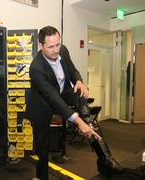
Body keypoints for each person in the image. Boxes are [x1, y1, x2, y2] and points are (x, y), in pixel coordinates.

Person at [25, 25, 101, 180]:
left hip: (62, 91)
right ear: (40, 46)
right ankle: (41, 177)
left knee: (79, 92)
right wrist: (77, 122)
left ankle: (89, 125)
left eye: (58, 44)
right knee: (42, 147)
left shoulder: (63, 51)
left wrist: (78, 81)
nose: (56, 50)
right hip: (42, 106)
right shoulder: (36, 68)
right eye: (51, 46)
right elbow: (53, 98)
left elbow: (72, 70)